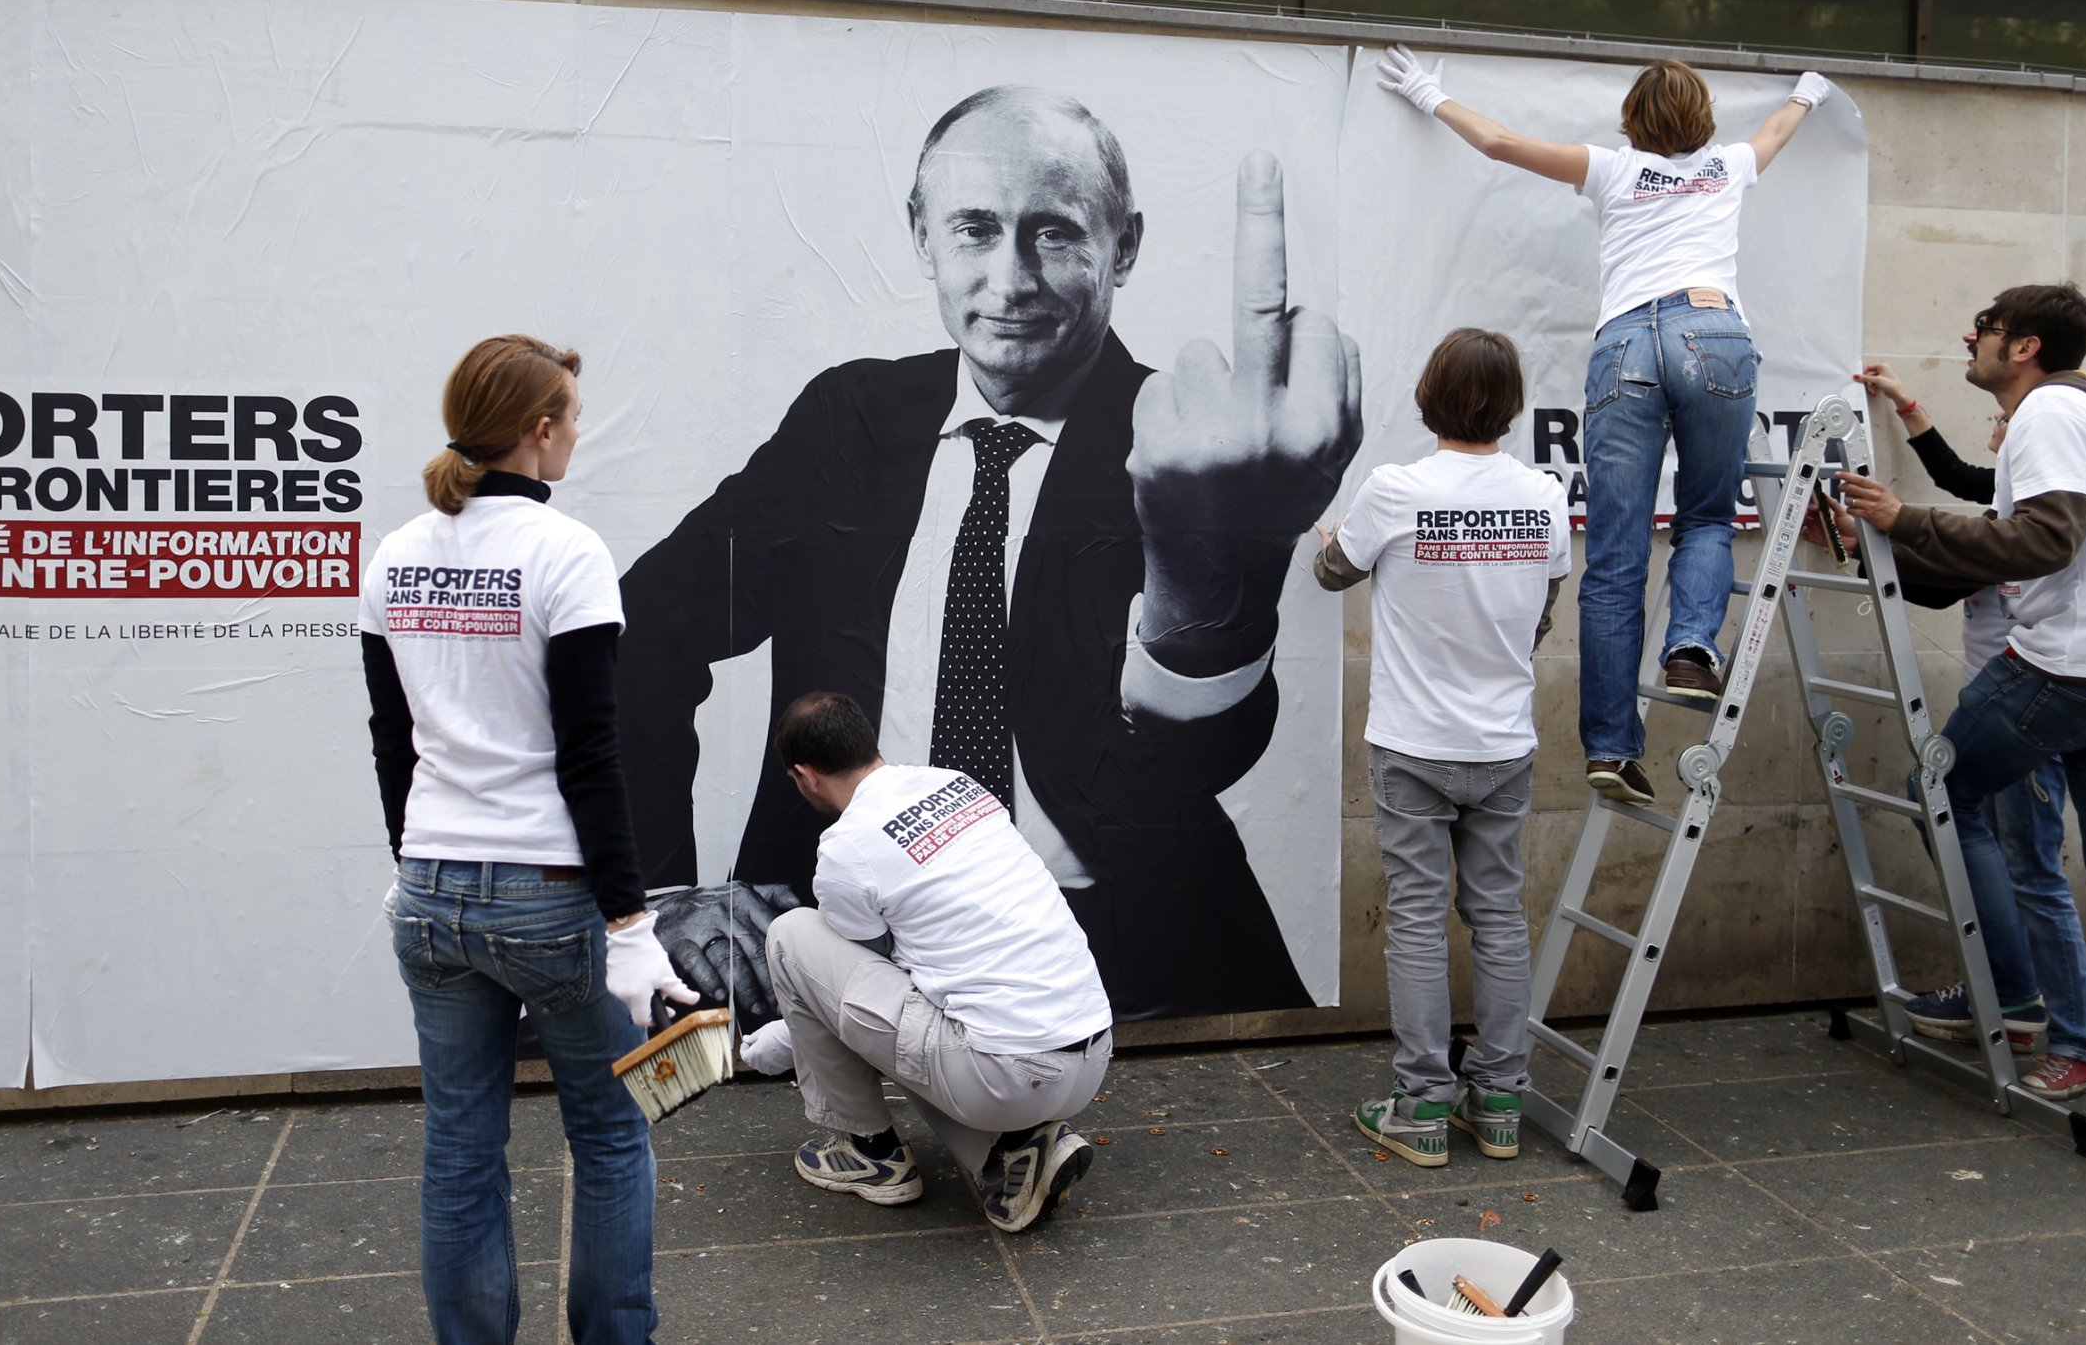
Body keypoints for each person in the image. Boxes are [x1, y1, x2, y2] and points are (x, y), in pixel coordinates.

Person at [618, 85, 1363, 1022]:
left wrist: (1210, 569)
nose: (1010, 281)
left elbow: (1192, 756)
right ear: (921, 233)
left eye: (1053, 233)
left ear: (1122, 246)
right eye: (974, 229)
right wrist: (656, 900)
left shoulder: (1184, 439)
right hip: (845, 914)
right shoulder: (849, 420)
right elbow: (641, 630)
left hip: (1109, 939)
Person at [1377, 47, 1827, 807]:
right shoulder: (1728, 166)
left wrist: (1426, 93)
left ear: (1633, 121)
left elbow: (1498, 143)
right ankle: (1690, 644)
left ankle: (1613, 750)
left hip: (1625, 346)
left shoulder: (1614, 168)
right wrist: (1812, 91)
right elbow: (1780, 129)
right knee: (1708, 516)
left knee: (1615, 557)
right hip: (1713, 330)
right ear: (1703, 118)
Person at [360, 335, 698, 1345]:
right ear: (537, 430)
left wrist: (410, 862)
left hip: (431, 894)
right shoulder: (567, 553)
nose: (577, 434)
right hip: (550, 896)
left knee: (460, 1148)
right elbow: (593, 755)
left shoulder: (396, 552)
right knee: (608, 1134)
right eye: (570, 418)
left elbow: (392, 742)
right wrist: (631, 921)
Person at [1834, 285, 2086, 1164]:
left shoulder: (2047, 412)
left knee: (1941, 789)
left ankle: (2012, 999)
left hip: (2066, 671)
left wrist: (1901, 517)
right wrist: (1884, 533)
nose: (1971, 334)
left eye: (1986, 327)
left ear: (2024, 345)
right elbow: (2006, 534)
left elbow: (2043, 540)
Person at [1312, 329, 1571, 1166]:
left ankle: (1421, 1105)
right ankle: (1499, 1100)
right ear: (1511, 404)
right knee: (1498, 914)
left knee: (1419, 920)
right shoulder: (1542, 495)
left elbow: (1332, 572)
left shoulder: (1396, 488)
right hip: (1503, 741)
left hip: (1414, 743)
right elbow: (1543, 610)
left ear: (1428, 395)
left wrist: (1329, 536)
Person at [738, 690, 1114, 1233]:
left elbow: (861, 994)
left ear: (805, 775)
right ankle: (1013, 1152)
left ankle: (872, 1152)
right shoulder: (956, 784)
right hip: (1092, 1052)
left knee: (792, 933)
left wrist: (782, 1041)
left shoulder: (847, 848)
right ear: (868, 744)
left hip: (1003, 1074)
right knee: (942, 1015)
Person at [1854, 359, 2086, 1101]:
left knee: (2032, 869)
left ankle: (2058, 1027)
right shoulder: (2007, 509)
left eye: (2008, 429)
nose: (2002, 437)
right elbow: (1964, 475)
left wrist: (1874, 540)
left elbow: (1940, 575)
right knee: (2013, 857)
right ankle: (2013, 997)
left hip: (2025, 705)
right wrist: (1907, 407)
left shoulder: (2014, 529)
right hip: (2011, 702)